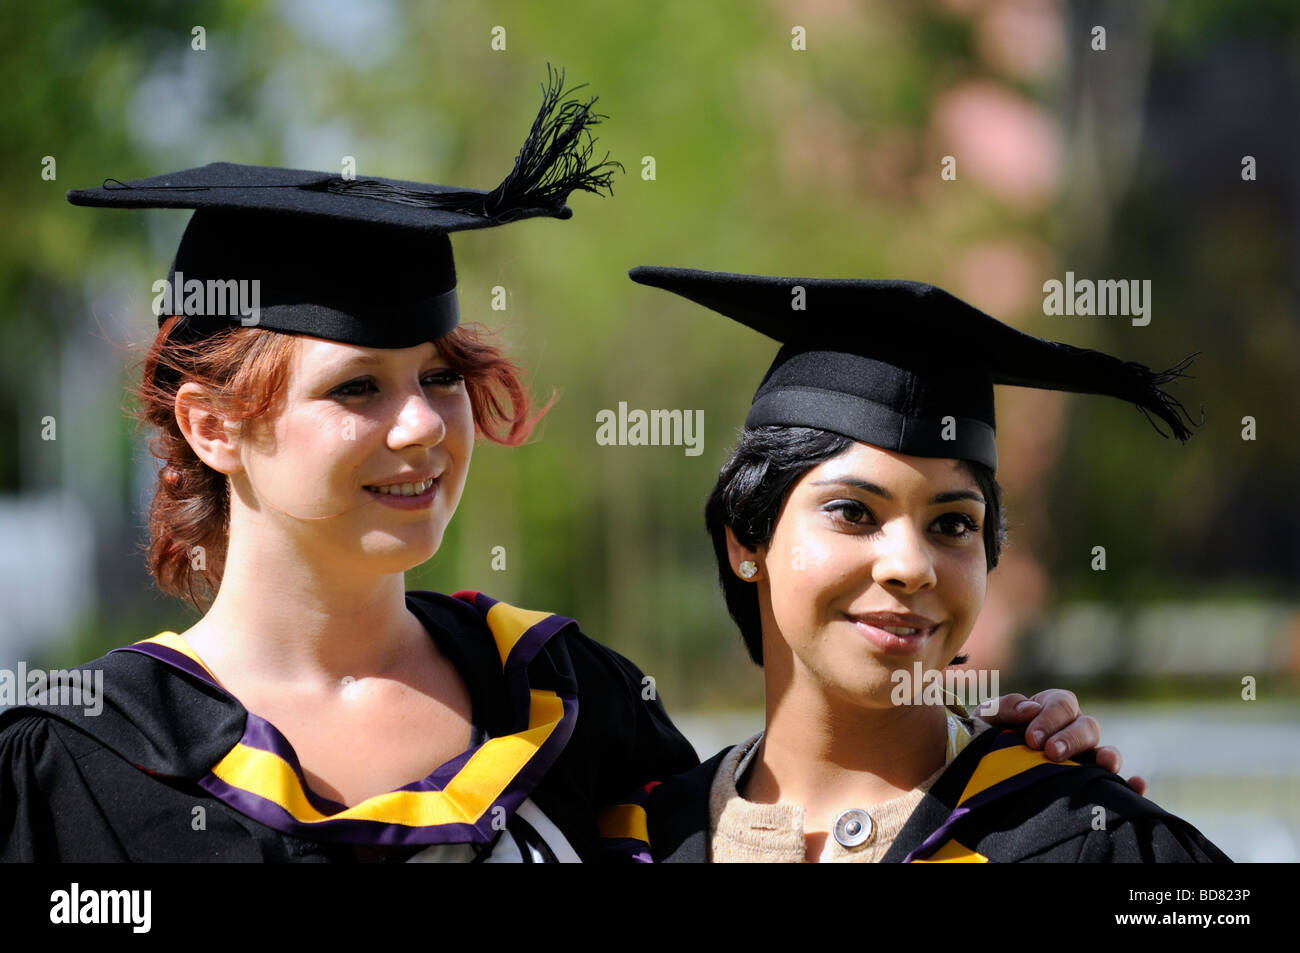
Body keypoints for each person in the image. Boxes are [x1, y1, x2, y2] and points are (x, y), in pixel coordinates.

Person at [0, 73, 1133, 862]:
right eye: (358, 388)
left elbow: (784, 823)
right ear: (209, 423)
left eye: (440, 375)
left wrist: (1011, 774)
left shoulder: (567, 698)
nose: (421, 428)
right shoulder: (76, 758)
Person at [606, 266, 1230, 863]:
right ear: (747, 538)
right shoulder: (633, 838)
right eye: (853, 512)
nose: (911, 566)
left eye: (953, 523)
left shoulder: (1088, 841)